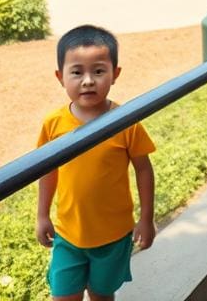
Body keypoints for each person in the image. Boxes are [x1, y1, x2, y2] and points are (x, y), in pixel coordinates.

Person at [36, 25, 156, 301]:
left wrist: (146, 218)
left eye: (99, 71)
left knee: (102, 295)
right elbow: (47, 171)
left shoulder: (126, 121)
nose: (88, 81)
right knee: (65, 296)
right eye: (77, 72)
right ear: (60, 77)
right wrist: (42, 215)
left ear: (115, 74)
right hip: (68, 234)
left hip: (113, 235)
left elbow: (143, 169)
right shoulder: (53, 124)